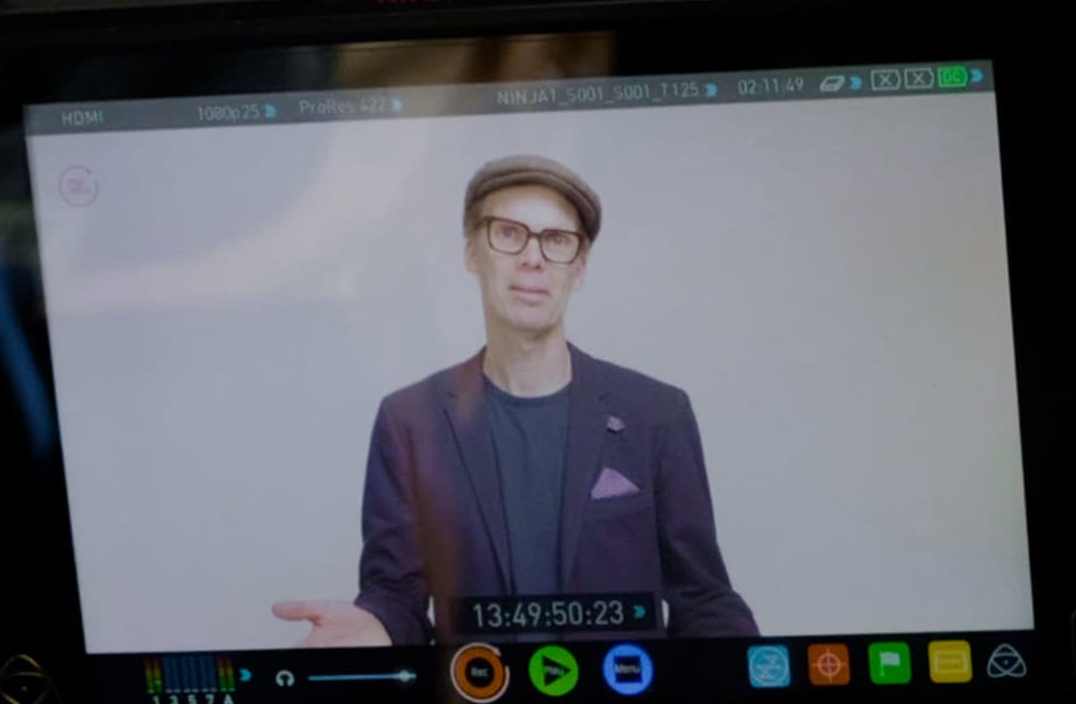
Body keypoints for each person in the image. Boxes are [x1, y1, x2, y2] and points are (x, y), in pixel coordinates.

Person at [271, 152, 755, 648]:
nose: (533, 257)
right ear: (472, 253)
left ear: (580, 267)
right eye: (508, 233)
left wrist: (751, 677)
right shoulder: (408, 421)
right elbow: (396, 594)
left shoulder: (658, 414)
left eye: (557, 240)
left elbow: (703, 596)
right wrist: (375, 626)